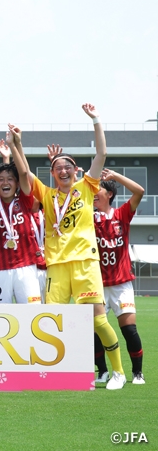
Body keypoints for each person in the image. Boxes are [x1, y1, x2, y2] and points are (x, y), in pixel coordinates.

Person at [17, 103, 126, 390]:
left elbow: (101, 154)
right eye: (57, 167)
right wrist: (17, 144)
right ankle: (67, 373)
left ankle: (118, 373)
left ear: (75, 171)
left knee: (98, 321)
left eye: (67, 167)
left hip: (85, 263)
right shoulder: (47, 193)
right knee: (53, 320)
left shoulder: (87, 187)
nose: (62, 170)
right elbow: (25, 171)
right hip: (56, 266)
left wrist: (96, 120)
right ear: (52, 173)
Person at [0, 124, 41, 304]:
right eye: (1, 180)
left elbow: (24, 172)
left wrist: (13, 145)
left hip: (26, 267)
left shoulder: (25, 201)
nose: (5, 182)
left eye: (10, 179)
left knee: (32, 313)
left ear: (17, 185)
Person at [91, 169, 145, 384]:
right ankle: (102, 371)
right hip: (96, 283)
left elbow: (139, 191)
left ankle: (137, 373)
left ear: (109, 194)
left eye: (98, 189)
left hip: (122, 283)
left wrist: (114, 176)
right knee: (95, 330)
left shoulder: (122, 214)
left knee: (129, 329)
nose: (94, 193)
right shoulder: (88, 217)